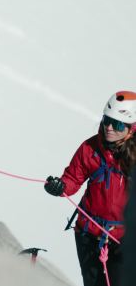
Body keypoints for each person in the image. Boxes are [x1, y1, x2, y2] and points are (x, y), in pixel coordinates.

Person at [45, 91, 136, 286]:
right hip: (88, 235)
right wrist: (60, 187)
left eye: (118, 124)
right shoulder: (90, 148)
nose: (109, 127)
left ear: (132, 129)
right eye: (106, 120)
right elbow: (71, 179)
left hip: (124, 242)